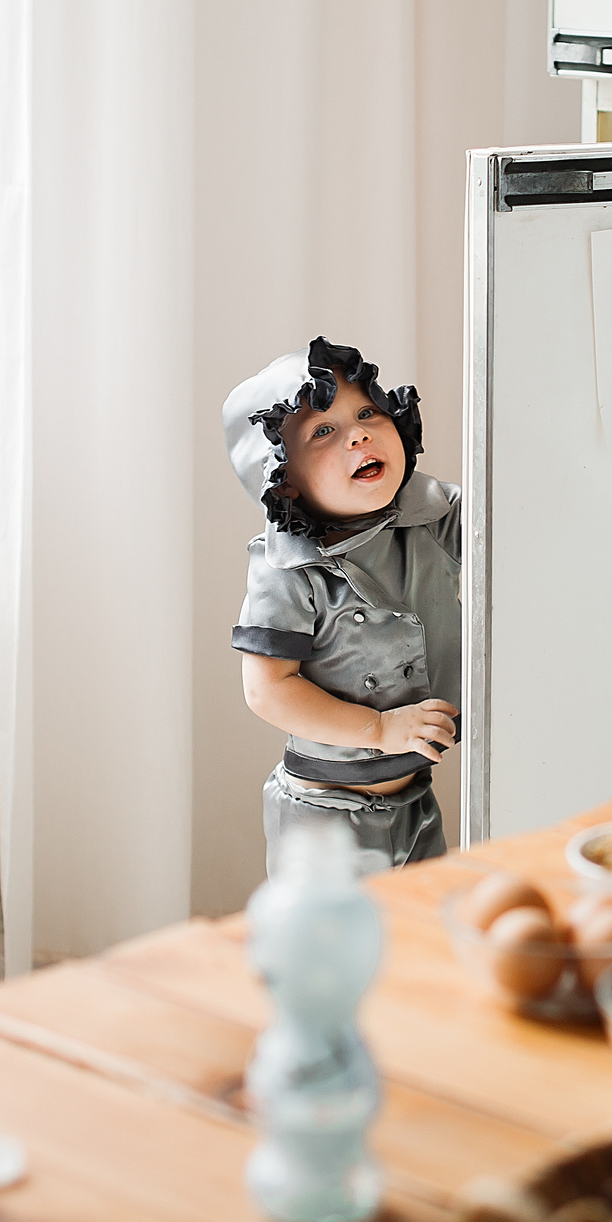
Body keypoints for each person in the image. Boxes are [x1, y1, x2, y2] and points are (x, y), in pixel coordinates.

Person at [224, 337, 460, 874]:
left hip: (415, 795)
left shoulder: (433, 517)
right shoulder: (285, 570)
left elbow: (510, 514)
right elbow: (267, 688)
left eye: (369, 412)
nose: (359, 433)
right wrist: (376, 730)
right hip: (324, 814)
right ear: (284, 479)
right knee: (329, 950)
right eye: (324, 431)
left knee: (418, 935)